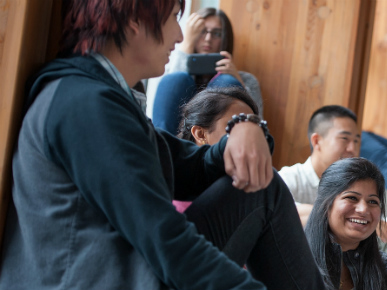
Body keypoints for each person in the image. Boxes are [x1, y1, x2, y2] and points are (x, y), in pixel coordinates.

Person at [0, 1, 323, 289]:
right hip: (100, 279)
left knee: (261, 189)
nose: (179, 37)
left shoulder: (105, 99)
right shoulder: (85, 104)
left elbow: (190, 165)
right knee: (261, 196)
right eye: (172, 19)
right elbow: (163, 237)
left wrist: (246, 125)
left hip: (128, 269)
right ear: (135, 21)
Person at [278, 105, 387, 290]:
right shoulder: (289, 179)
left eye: (357, 140)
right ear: (317, 141)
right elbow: (283, 214)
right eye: (344, 138)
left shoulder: (386, 266)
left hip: (363, 252)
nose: (352, 148)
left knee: (386, 235)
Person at [151, 7, 262, 134]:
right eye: (202, 31)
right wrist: (187, 44)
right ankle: (163, 151)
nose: (208, 38)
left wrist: (239, 84)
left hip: (218, 148)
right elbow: (165, 106)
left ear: (225, 38)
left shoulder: (247, 80)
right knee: (175, 79)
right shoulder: (173, 70)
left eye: (216, 33)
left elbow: (259, 125)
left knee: (227, 82)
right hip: (174, 144)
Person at [304, 158, 387, 290]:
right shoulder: (294, 260)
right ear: (325, 203)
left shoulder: (385, 268)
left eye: (372, 201)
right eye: (352, 198)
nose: (363, 209)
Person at [172, 86, 260, 212]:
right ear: (200, 134)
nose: (247, 136)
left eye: (253, 127)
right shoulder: (180, 199)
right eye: (236, 126)